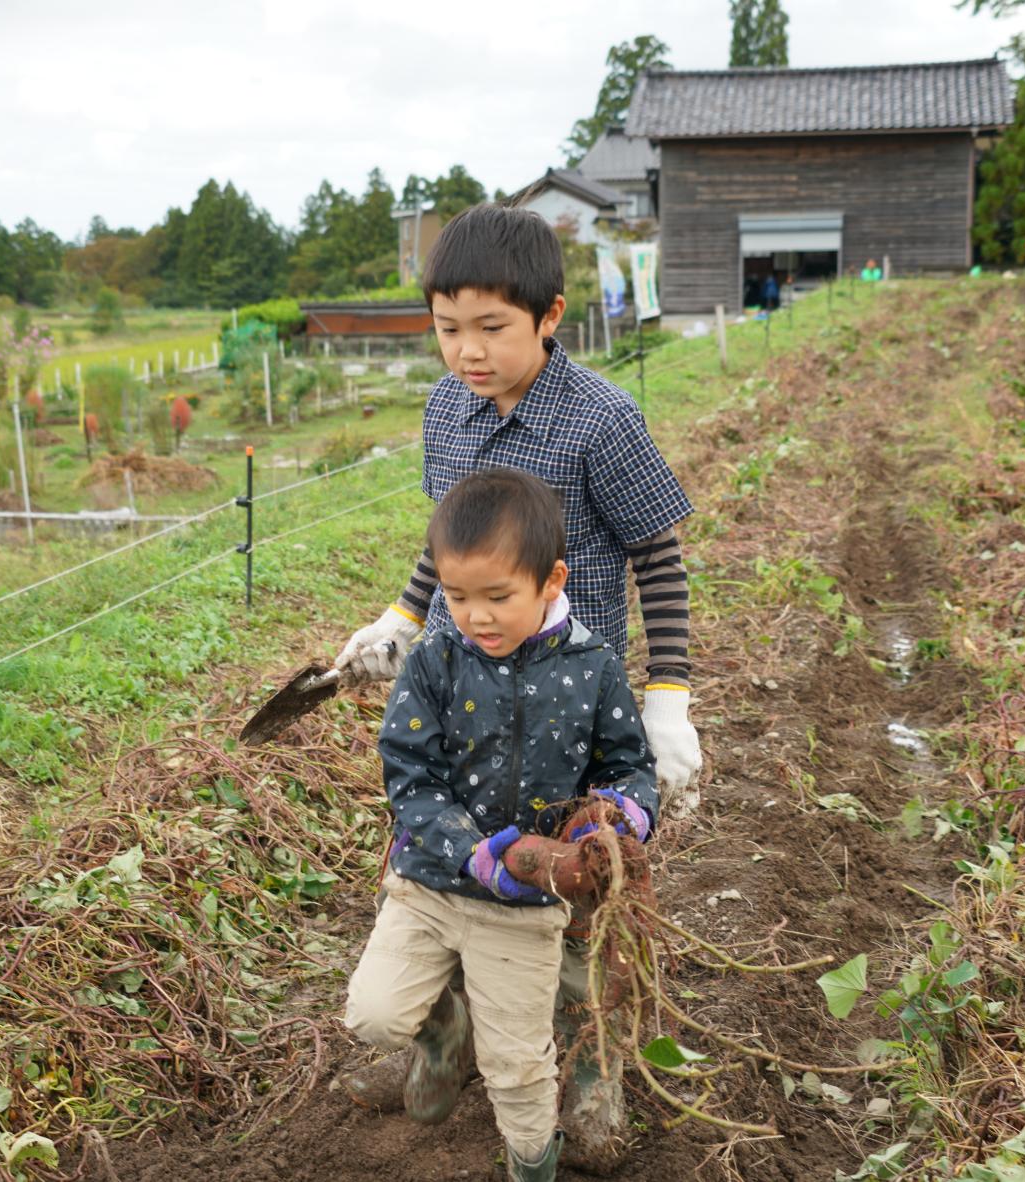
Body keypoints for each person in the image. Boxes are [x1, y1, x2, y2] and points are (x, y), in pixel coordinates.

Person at [332, 204, 692, 1164]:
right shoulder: (445, 410)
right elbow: (448, 538)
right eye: (449, 328)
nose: (466, 351)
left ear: (549, 316)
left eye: (491, 327)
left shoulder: (601, 420)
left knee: (574, 906)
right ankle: (444, 1041)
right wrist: (407, 617)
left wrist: (669, 701)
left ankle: (587, 1074)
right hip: (458, 700)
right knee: (441, 865)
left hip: (572, 707)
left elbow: (658, 556)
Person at [343, 467, 658, 1182]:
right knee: (372, 1015)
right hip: (431, 883)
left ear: (550, 581)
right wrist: (477, 853)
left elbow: (629, 766)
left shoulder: (592, 665)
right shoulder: (436, 659)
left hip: (525, 910)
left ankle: (531, 1162)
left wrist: (613, 819)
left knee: (517, 1067)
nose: (476, 616)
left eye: (497, 597)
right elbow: (410, 775)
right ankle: (442, 1028)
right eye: (456, 597)